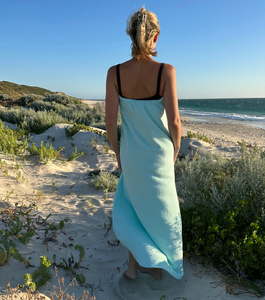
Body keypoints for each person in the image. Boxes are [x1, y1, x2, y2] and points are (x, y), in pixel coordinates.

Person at [105, 7, 183, 281]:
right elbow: (174, 122)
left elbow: (110, 121)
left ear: (130, 34)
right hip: (158, 154)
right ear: (156, 37)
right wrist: (175, 149)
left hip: (131, 153)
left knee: (133, 207)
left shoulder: (114, 73)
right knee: (161, 211)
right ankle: (157, 265)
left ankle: (132, 267)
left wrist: (118, 153)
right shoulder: (166, 72)